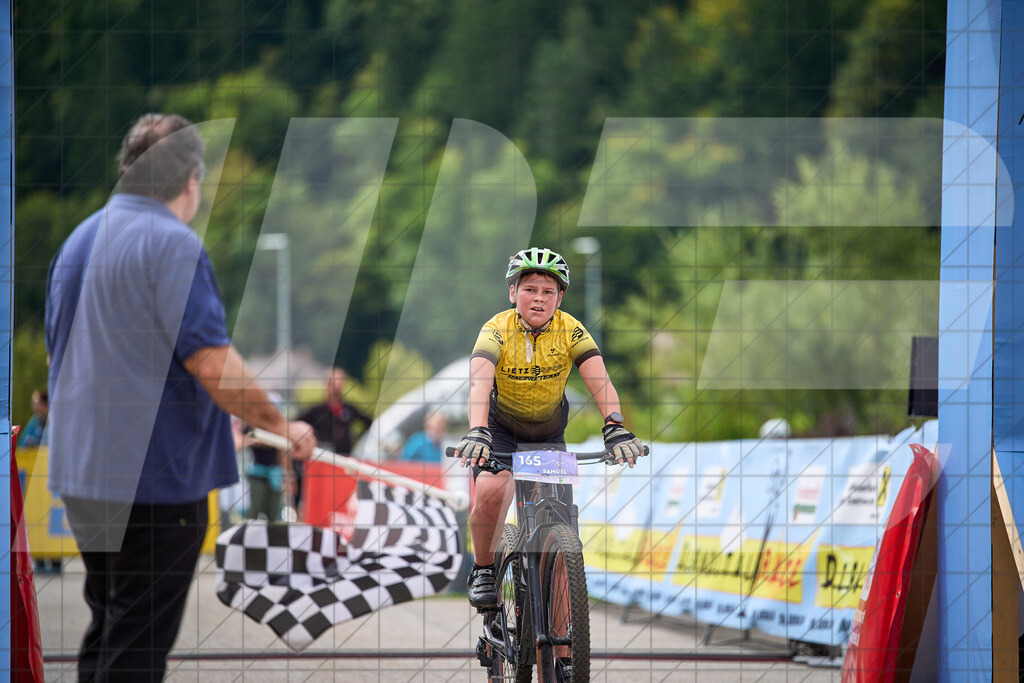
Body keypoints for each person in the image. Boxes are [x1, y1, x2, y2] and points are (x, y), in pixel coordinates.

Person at [44, 113, 316, 682]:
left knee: (111, 624)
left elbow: (56, 361)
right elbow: (212, 362)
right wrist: (283, 425)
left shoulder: (78, 241)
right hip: (156, 481)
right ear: (191, 179)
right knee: (138, 644)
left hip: (83, 475)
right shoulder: (171, 245)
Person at [454, 247, 644, 609]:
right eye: (530, 289)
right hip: (498, 432)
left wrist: (614, 426)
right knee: (494, 491)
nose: (539, 299)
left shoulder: (571, 330)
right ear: (513, 293)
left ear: (560, 297)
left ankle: (564, 658)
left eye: (548, 291)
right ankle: (482, 569)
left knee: (559, 535)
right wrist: (477, 431)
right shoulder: (495, 330)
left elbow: (601, 382)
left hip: (547, 436)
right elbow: (479, 384)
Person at [295, 367, 372, 506]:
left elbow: (369, 422)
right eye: (334, 381)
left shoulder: (349, 409)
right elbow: (296, 424)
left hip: (343, 462)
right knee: (319, 501)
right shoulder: (316, 411)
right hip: (321, 464)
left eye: (340, 381)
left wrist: (356, 440)